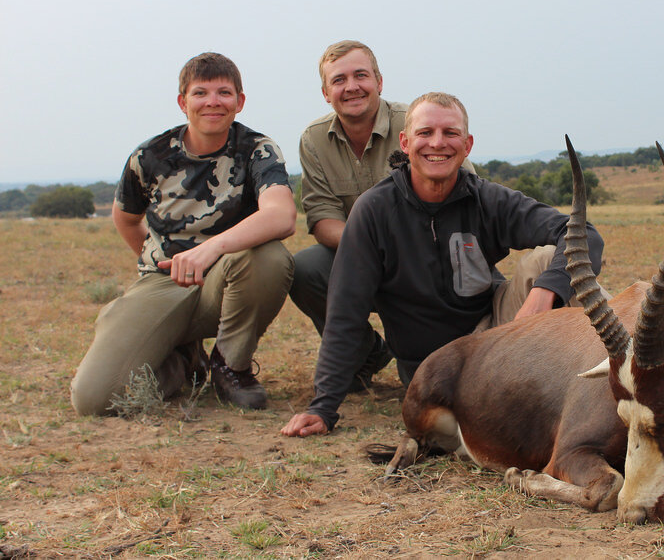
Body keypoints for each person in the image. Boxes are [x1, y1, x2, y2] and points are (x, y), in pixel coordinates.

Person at [281, 92, 603, 437]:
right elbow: (346, 311)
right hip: (433, 368)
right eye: (425, 133)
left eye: (450, 133)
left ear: (467, 145)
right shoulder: (374, 210)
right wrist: (323, 407)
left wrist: (544, 292)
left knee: (545, 262)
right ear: (405, 142)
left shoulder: (487, 199)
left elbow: (584, 234)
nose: (438, 143)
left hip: (495, 337)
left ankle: (613, 387)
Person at [71, 52, 296, 415]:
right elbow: (127, 219)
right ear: (182, 102)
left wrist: (213, 250)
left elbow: (282, 215)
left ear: (239, 101)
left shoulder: (258, 150)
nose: (212, 102)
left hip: (227, 279)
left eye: (224, 93)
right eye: (200, 93)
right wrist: (155, 261)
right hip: (165, 281)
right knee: (95, 399)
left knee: (271, 258)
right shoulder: (149, 156)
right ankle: (185, 363)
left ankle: (230, 368)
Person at [288, 40, 472, 391]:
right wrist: (374, 247)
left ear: (380, 82)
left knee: (434, 385)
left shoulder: (419, 123)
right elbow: (322, 218)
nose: (352, 86)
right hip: (363, 259)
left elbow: (467, 193)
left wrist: (411, 249)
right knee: (307, 268)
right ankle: (365, 354)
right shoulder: (313, 140)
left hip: (431, 259)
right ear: (326, 93)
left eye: (361, 75)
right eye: (339, 80)